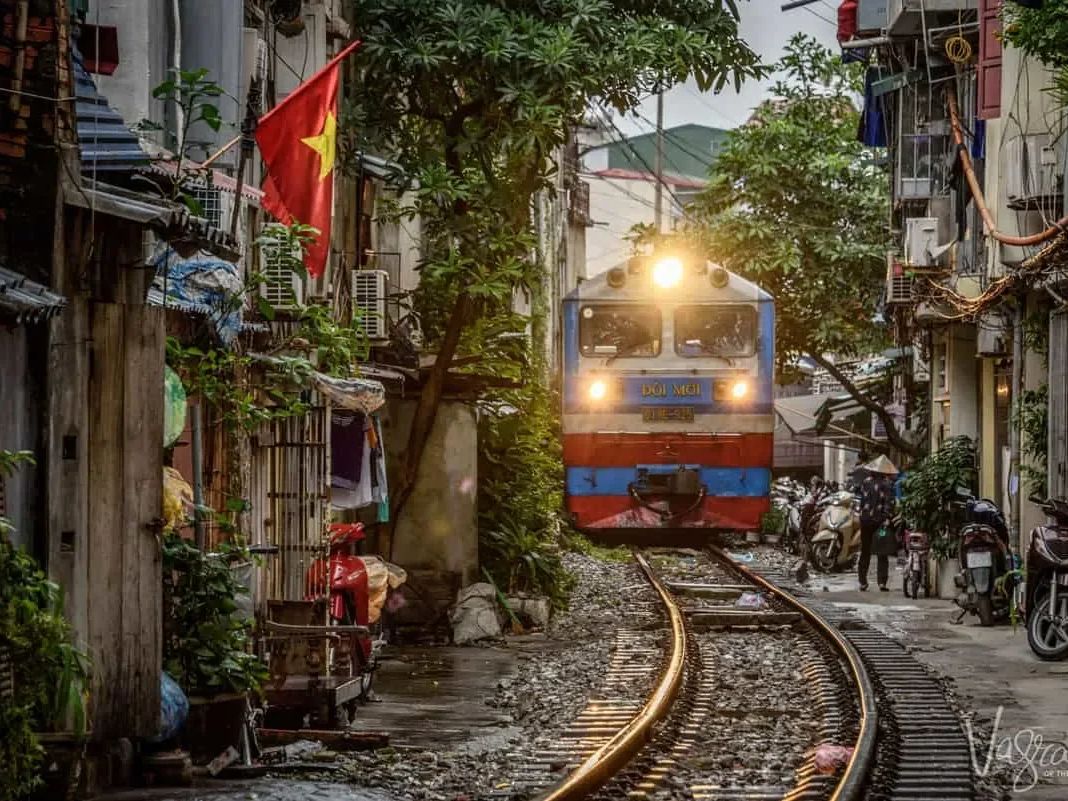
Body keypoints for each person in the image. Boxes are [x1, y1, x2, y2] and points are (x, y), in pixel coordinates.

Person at [856, 455, 898, 591]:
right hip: (880, 522)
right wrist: (887, 518)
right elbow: (889, 504)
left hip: (866, 521)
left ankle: (862, 581)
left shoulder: (865, 482)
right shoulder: (887, 484)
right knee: (882, 552)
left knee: (865, 551)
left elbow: (862, 502)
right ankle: (882, 582)